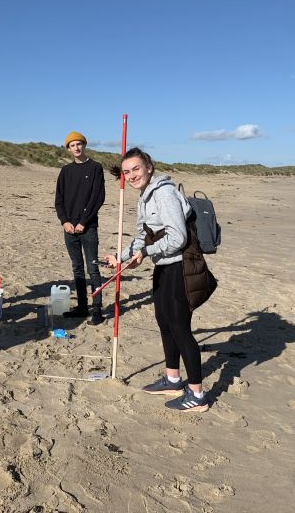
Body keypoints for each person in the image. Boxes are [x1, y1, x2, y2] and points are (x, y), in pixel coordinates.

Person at [105, 148, 210, 413]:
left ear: (149, 167)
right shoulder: (145, 196)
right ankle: (173, 380)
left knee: (180, 328)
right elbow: (143, 236)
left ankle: (197, 395)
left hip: (180, 267)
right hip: (163, 266)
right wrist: (120, 257)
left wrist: (145, 253)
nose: (131, 175)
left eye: (136, 169)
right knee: (164, 322)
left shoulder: (164, 193)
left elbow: (178, 238)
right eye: (127, 172)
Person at [54, 131, 106, 325]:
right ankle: (82, 307)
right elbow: (59, 199)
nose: (76, 148)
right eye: (72, 145)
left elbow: (98, 197)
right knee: (77, 268)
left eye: (79, 144)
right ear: (68, 149)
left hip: (88, 227)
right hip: (69, 228)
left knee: (93, 268)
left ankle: (97, 309)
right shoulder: (65, 171)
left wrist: (83, 221)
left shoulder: (95, 168)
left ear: (84, 145)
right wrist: (64, 221)